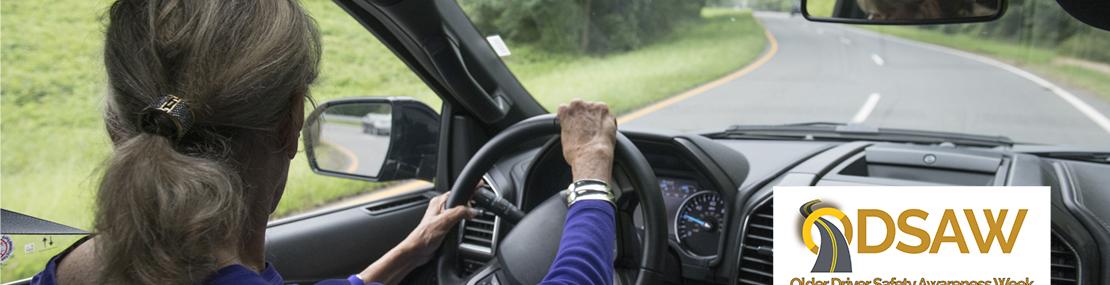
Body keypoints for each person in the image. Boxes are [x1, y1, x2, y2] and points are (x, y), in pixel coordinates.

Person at [30, 0, 618, 284]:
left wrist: (405, 254)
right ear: (293, 122)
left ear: (117, 123)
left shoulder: (64, 271)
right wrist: (591, 176)